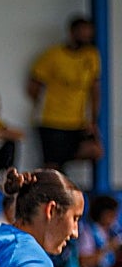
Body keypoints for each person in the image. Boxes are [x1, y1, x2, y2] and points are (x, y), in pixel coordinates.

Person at [28, 16, 102, 175]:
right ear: (72, 33)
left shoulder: (92, 56)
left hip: (78, 120)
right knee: (52, 166)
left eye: (89, 34)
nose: (86, 37)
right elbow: (34, 86)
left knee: (95, 150)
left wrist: (93, 119)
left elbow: (94, 89)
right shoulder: (53, 55)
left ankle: (63, 159)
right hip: (52, 119)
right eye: (83, 33)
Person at [76, 194, 121, 267]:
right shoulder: (88, 232)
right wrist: (108, 248)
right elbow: (84, 262)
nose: (114, 218)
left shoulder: (112, 232)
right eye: (111, 214)